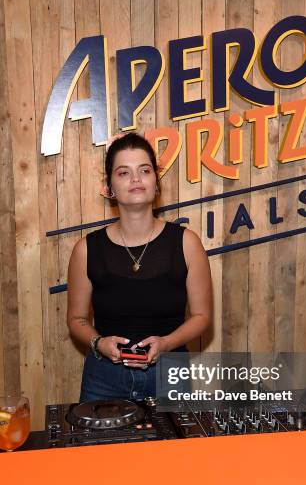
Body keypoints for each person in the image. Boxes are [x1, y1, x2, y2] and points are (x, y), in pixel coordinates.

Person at [67, 132, 212, 402]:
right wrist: (98, 343)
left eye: (144, 170)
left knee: (174, 446)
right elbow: (76, 320)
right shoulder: (86, 249)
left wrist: (167, 343)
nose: (136, 179)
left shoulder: (187, 243)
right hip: (104, 378)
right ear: (109, 187)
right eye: (123, 173)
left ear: (156, 183)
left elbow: (202, 316)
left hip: (170, 373)